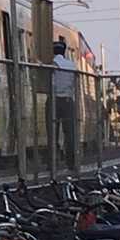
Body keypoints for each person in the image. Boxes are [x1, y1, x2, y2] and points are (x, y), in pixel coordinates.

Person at [50, 38, 77, 169]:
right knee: (69, 133)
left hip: (54, 100)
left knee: (52, 133)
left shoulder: (52, 64)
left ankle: (52, 163)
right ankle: (71, 163)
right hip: (68, 100)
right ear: (64, 51)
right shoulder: (71, 65)